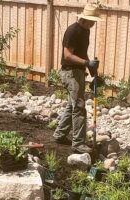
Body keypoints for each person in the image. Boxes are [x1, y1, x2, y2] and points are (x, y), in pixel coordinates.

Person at [53, 3, 102, 154]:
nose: (94, 23)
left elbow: (82, 53)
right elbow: (67, 55)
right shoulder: (72, 31)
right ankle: (78, 143)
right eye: (92, 20)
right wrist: (86, 62)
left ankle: (60, 134)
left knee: (71, 105)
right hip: (70, 73)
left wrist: (92, 70)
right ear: (84, 19)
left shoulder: (85, 31)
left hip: (79, 72)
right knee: (79, 107)